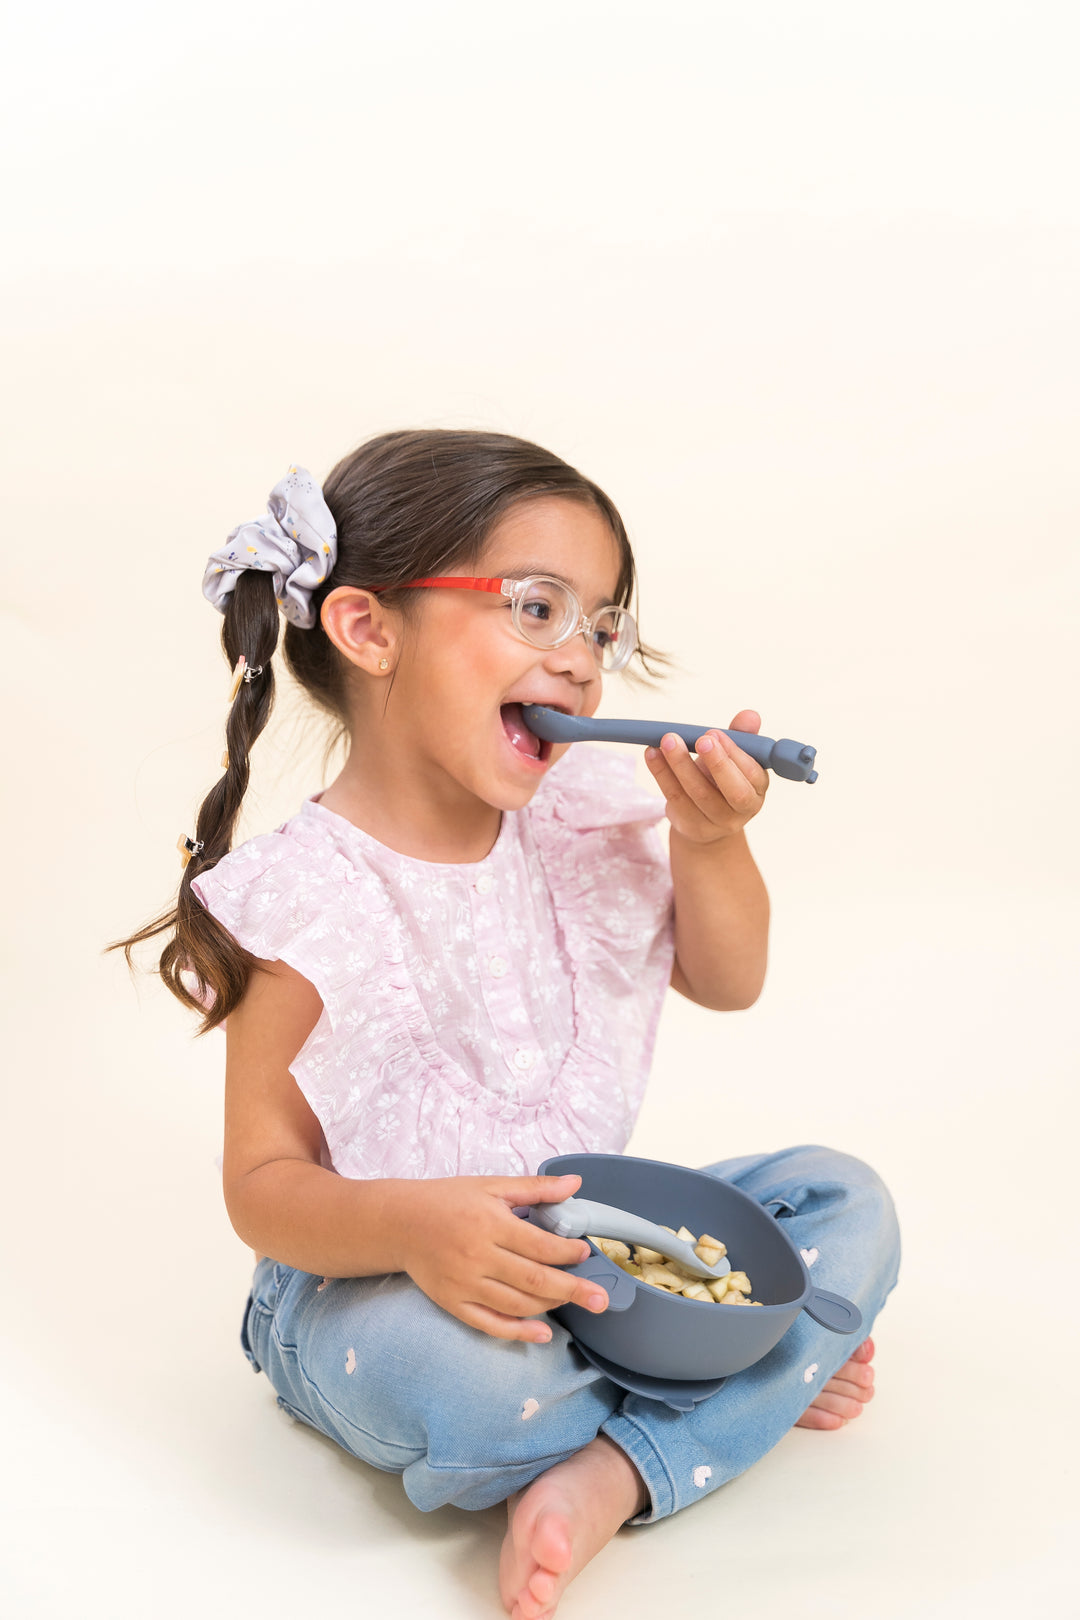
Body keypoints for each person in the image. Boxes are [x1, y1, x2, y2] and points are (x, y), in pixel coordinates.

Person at [112, 431, 899, 1620]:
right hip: (368, 1277)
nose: (582, 661)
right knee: (471, 1388)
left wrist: (710, 842)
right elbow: (262, 1189)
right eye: (537, 608)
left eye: (601, 625)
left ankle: (613, 1463)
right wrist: (418, 1229)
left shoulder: (578, 817)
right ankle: (730, 1403)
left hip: (583, 1245)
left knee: (847, 1200)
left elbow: (728, 981)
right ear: (371, 631)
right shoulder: (306, 901)